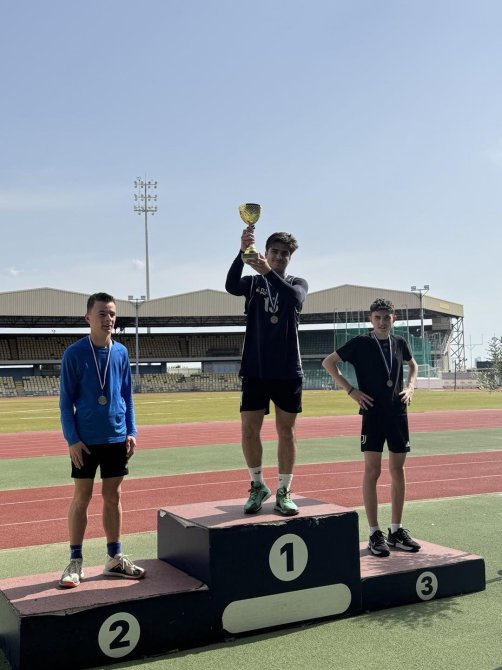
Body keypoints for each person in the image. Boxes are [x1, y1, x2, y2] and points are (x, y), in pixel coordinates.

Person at [58, 292, 145, 587]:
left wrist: (131, 431)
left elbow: (126, 395)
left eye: (112, 314)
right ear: (88, 318)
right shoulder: (74, 354)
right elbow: (65, 402)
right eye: (102, 314)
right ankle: (75, 560)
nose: (108, 319)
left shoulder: (121, 352)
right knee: (81, 497)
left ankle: (114, 558)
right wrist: (72, 439)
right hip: (84, 440)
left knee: (113, 496)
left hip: (116, 437)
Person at [322, 298, 421, 557]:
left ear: (393, 318)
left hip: (398, 413)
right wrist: (351, 391)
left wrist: (411, 386)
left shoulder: (400, 342)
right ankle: (374, 532)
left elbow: (413, 365)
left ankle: (396, 531)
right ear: (371, 319)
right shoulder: (360, 343)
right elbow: (328, 363)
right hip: (373, 413)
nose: (382, 322)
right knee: (373, 471)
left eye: (386, 317)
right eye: (377, 317)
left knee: (398, 470)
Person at [225, 228, 308, 516]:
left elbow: (294, 299)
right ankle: (258, 485)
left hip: (287, 370)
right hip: (255, 369)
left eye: (285, 253)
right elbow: (230, 285)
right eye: (275, 252)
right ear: (266, 252)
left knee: (286, 432)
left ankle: (284, 490)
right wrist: (242, 252)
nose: (279, 257)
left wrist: (267, 272)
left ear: (290, 257)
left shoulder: (297, 283)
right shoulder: (253, 283)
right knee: (249, 431)